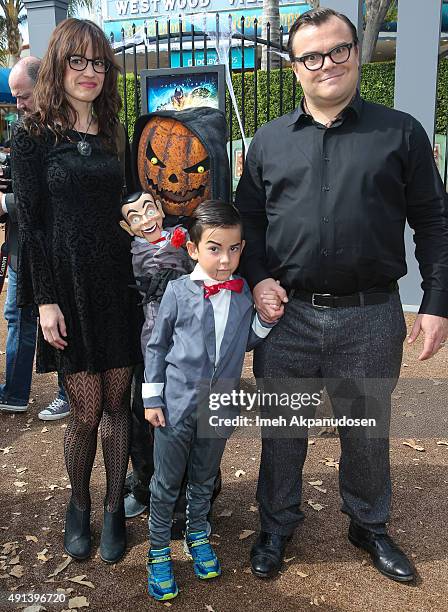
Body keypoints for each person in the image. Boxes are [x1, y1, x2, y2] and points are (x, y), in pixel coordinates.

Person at [235, 7, 448, 584]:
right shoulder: (269, 141)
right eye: (311, 56)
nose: (326, 64)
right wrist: (257, 279)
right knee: (282, 430)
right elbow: (247, 222)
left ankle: (369, 525)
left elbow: (433, 220)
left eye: (338, 51)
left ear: (356, 53)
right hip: (288, 316)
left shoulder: (400, 132)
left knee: (365, 431)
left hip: (371, 314)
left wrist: (435, 301)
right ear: (295, 67)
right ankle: (276, 524)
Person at [11, 18, 141, 564]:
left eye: (97, 63)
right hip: (67, 288)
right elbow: (32, 227)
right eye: (77, 61)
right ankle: (78, 504)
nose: (89, 73)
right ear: (59, 64)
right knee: (85, 412)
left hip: (118, 285)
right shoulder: (32, 135)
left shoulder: (115, 129)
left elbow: (128, 204)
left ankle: (113, 507)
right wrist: (43, 300)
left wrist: (147, 215)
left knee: (119, 408)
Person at [143, 200, 279, 601]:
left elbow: (244, 340)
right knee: (167, 483)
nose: (225, 259)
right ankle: (157, 551)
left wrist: (266, 320)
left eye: (234, 249)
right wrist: (153, 397)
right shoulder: (176, 291)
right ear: (193, 249)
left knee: (204, 478)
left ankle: (198, 534)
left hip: (219, 405)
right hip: (175, 405)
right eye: (215, 248)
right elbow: (157, 345)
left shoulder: (240, 297)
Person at [0, 57, 69, 420]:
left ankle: (67, 389)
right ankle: (14, 391)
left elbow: (43, 201)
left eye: (23, 96)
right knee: (17, 316)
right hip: (19, 243)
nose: (18, 105)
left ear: (43, 87)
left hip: (46, 245)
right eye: (14, 98)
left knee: (54, 316)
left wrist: (5, 200)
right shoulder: (25, 132)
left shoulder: (60, 134)